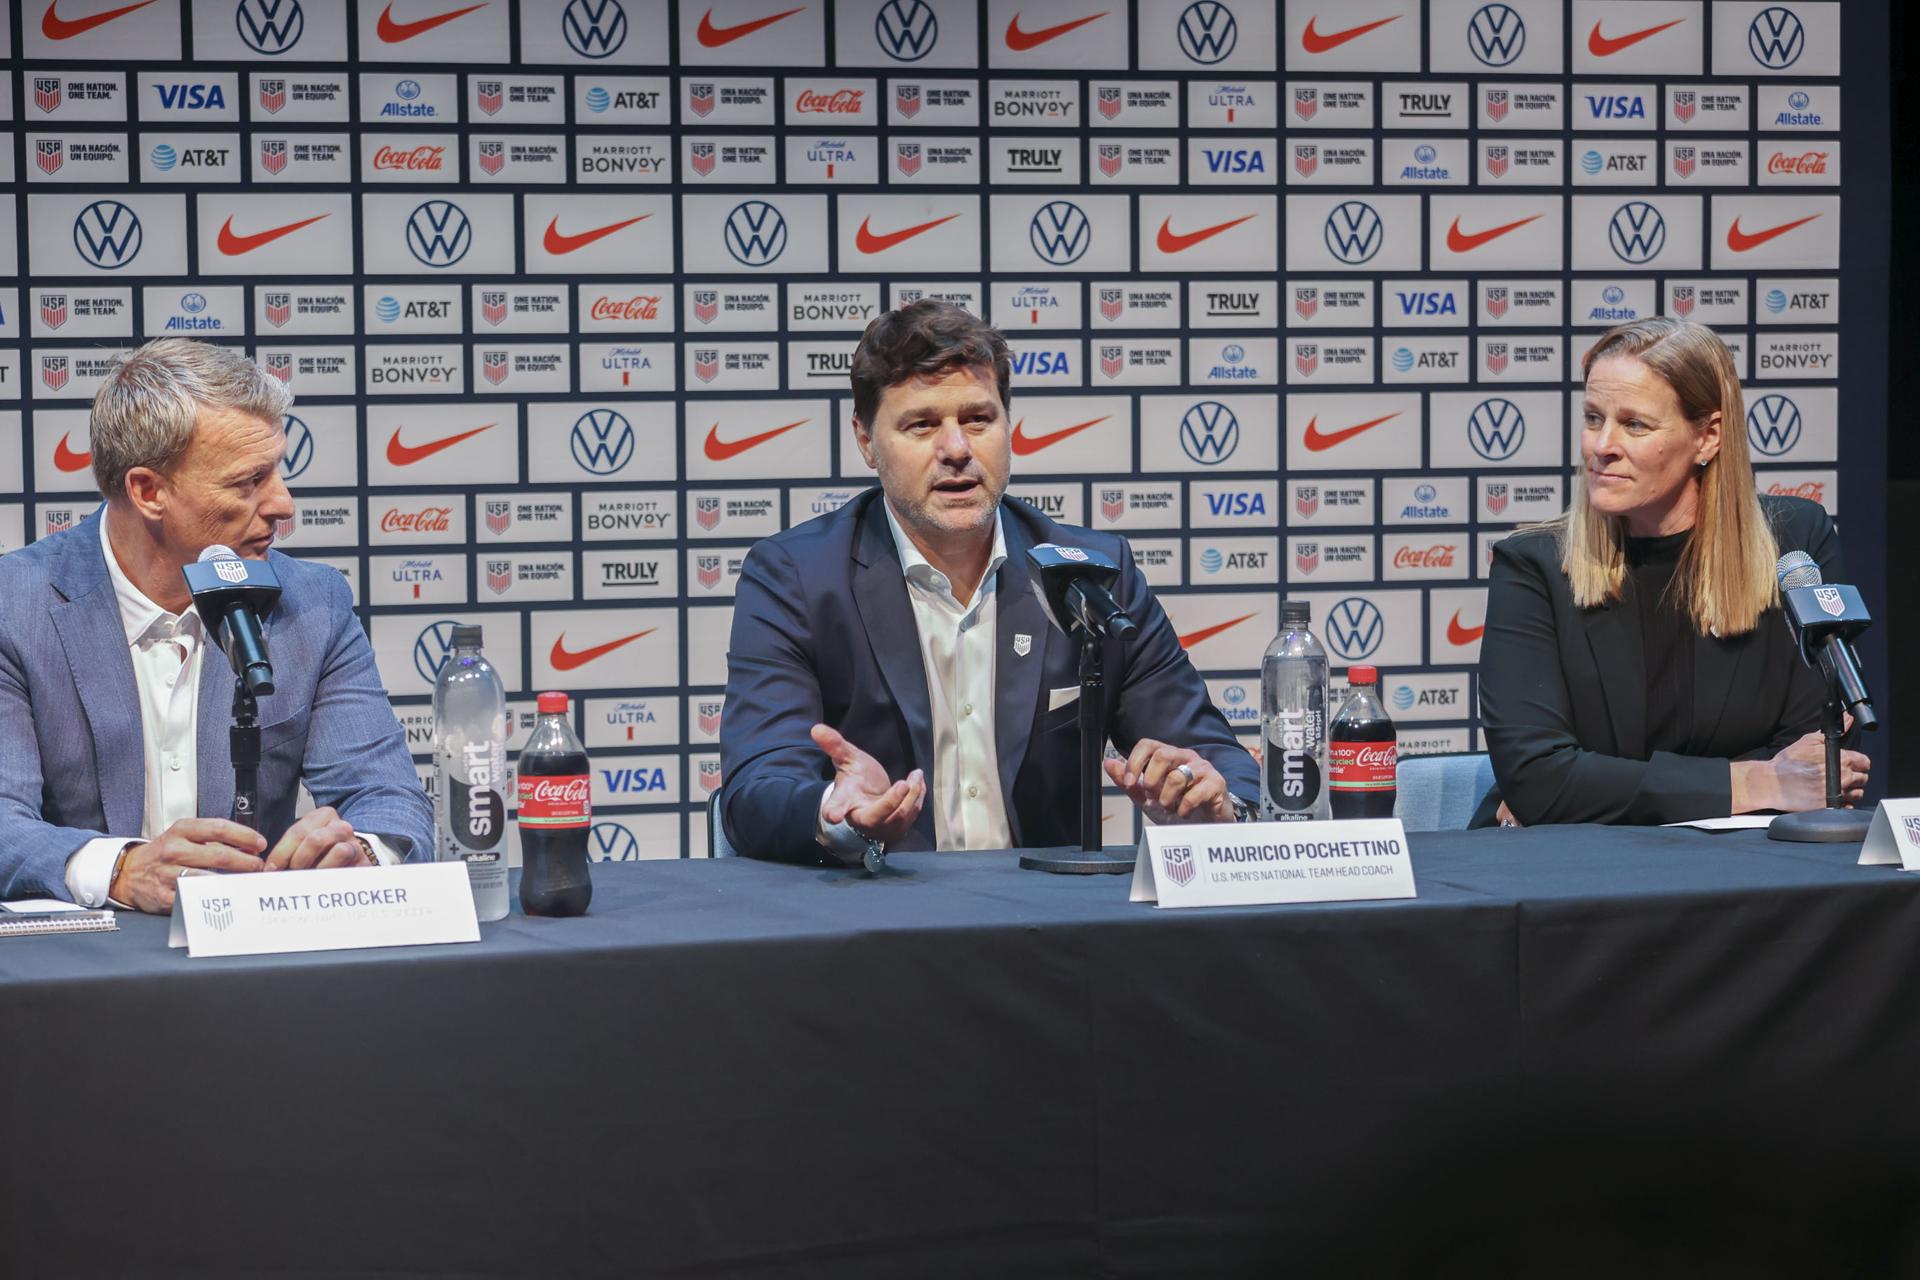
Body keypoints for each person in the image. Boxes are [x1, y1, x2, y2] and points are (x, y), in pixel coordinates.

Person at [720, 300, 1259, 862]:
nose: (956, 450)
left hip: (1047, 928)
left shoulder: (1095, 574)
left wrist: (1216, 805)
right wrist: (835, 810)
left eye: (978, 419)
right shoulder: (799, 579)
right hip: (873, 915)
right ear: (865, 440)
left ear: (1008, 425)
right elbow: (757, 786)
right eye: (922, 425)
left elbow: (1212, 756)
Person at [0, 338, 433, 911]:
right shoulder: (15, 607)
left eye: (277, 472)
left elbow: (390, 797)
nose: (284, 506)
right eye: (247, 482)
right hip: (81, 976)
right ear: (148, 491)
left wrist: (363, 853)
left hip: (257, 972)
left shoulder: (314, 603)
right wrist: (121, 869)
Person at [1475, 317, 1868, 826]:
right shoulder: (1534, 566)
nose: (1601, 445)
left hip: (1751, 862)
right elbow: (1540, 780)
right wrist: (1754, 780)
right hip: (1574, 869)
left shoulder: (1795, 542)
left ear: (1707, 437)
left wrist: (1600, 787)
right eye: (1594, 418)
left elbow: (1817, 756)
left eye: (1634, 425)